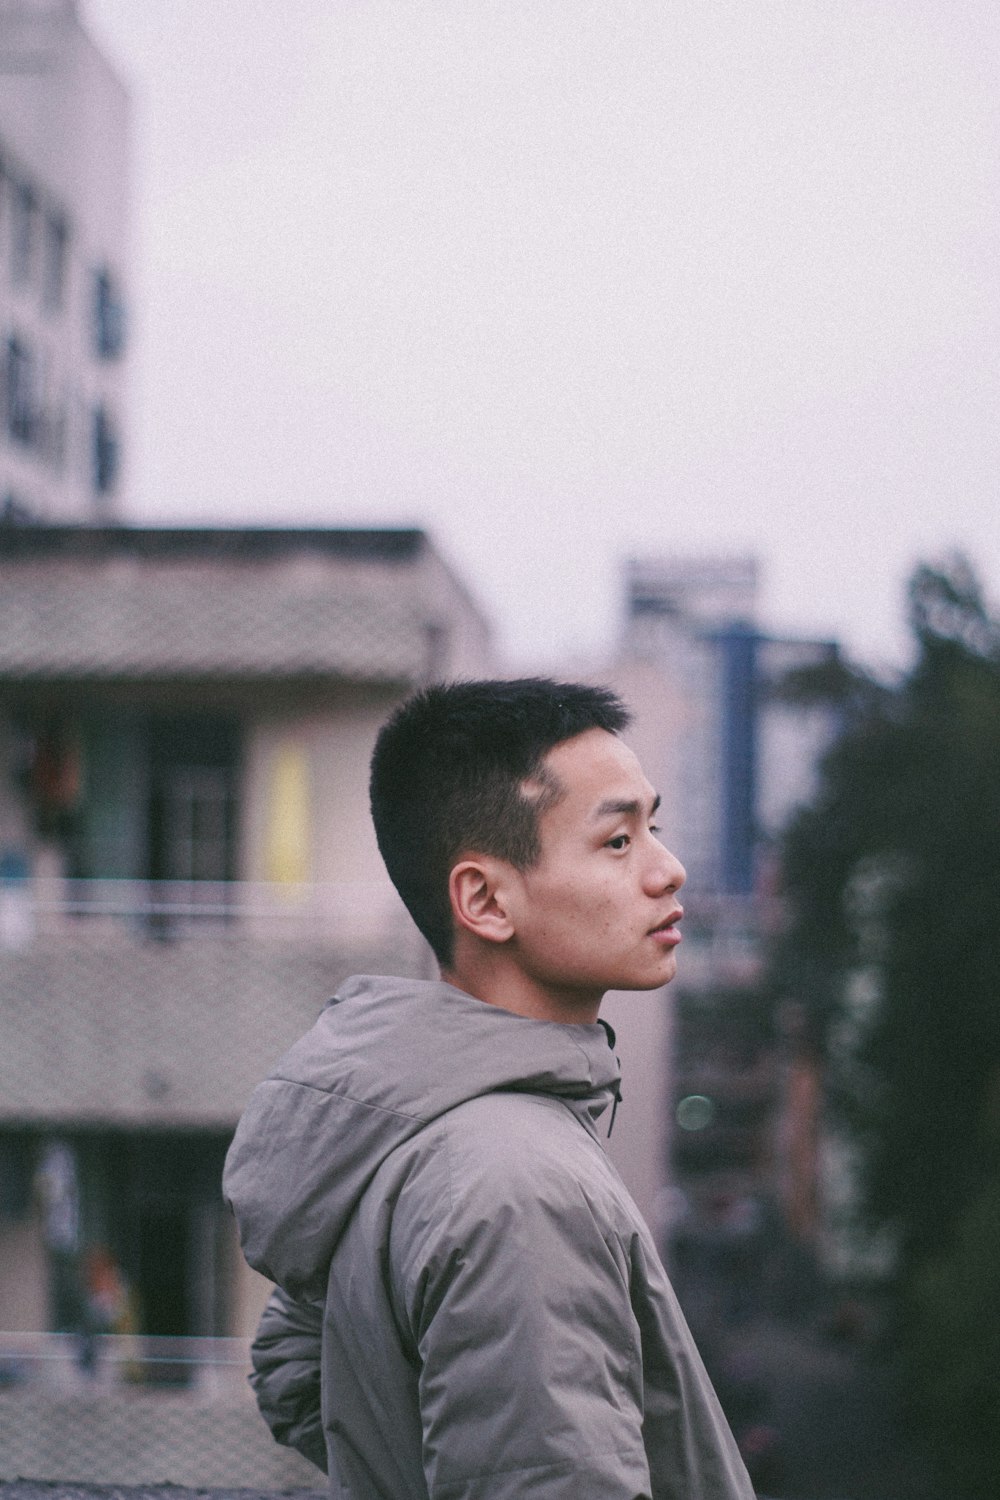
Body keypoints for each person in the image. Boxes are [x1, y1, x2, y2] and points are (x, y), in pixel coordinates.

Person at [223, 678, 754, 1499]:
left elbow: (309, 1378)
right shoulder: (515, 1185)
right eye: (618, 841)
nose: (669, 870)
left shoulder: (428, 1134)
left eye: (657, 828)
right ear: (484, 899)